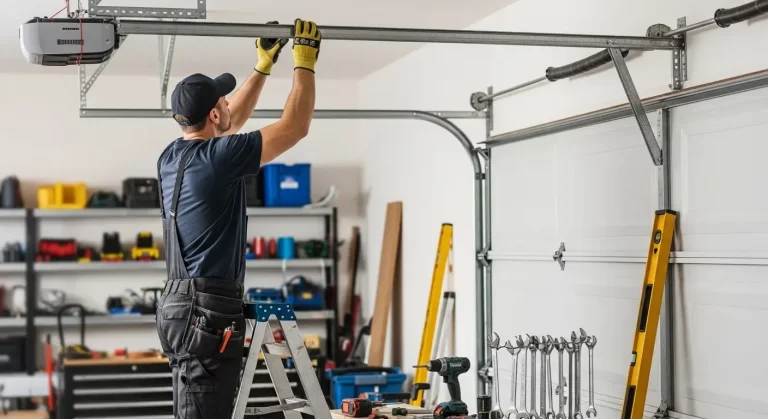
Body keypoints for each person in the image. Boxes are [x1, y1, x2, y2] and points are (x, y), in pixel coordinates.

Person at [154, 18, 321, 419]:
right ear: (213, 114)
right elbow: (295, 128)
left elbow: (233, 123)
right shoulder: (219, 159)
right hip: (208, 311)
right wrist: (304, 62)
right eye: (223, 102)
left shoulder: (171, 157)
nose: (230, 104)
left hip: (178, 306)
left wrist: (262, 66)